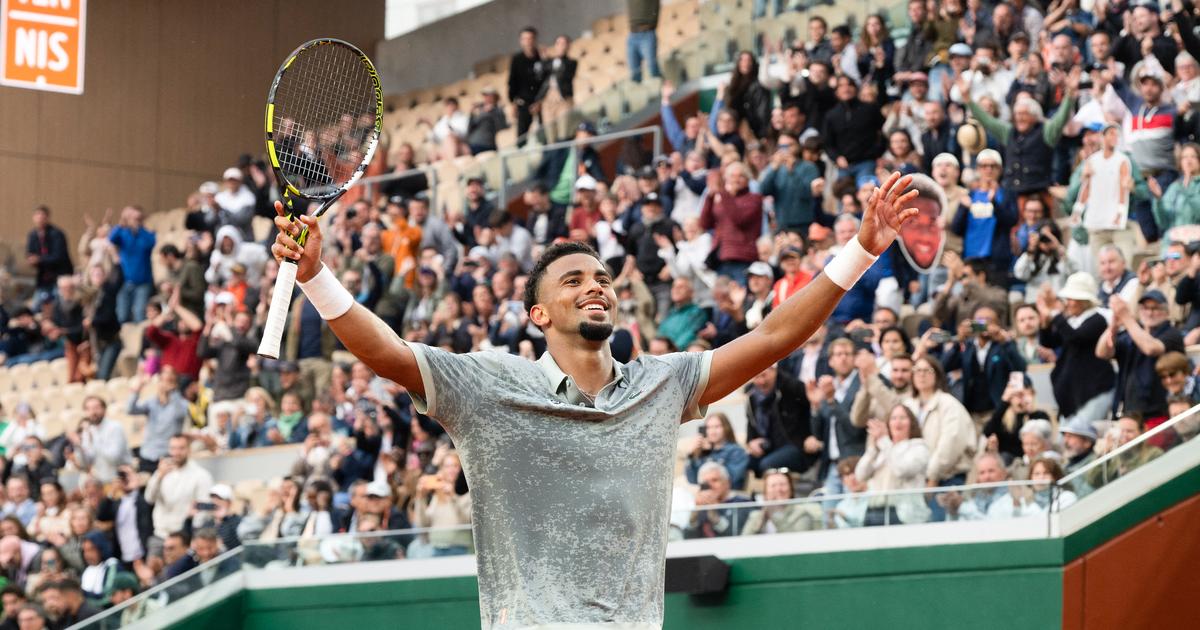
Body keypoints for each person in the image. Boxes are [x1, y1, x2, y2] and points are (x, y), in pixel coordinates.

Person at [268, 166, 921, 628]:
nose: (595, 286)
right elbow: (386, 354)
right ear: (537, 314)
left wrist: (862, 249)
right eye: (573, 279)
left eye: (602, 277)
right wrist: (316, 277)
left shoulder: (663, 384)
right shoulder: (489, 386)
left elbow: (776, 334)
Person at [1097, 291, 1185, 419]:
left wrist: (1127, 317)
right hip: (1129, 411)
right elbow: (1102, 352)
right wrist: (1114, 325)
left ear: (1166, 312)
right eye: (1145, 308)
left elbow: (1150, 348)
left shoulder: (1172, 334)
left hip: (1159, 412)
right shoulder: (1129, 335)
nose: (1149, 313)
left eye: (1155, 308)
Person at [911, 355, 976, 520]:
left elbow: (950, 443)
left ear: (937, 375)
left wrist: (933, 476)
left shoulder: (949, 404)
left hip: (947, 479)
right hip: (915, 482)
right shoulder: (907, 405)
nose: (922, 375)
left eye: (927, 370)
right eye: (917, 370)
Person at [807, 338, 865, 500]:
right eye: (838, 354)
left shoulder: (863, 384)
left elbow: (856, 428)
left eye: (847, 354)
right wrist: (816, 406)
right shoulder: (828, 387)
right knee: (829, 518)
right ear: (831, 361)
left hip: (856, 462)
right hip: (832, 464)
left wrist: (832, 401)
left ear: (855, 358)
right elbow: (818, 434)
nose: (843, 358)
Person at [855, 404, 932, 525]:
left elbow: (901, 470)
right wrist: (873, 449)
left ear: (911, 423)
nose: (898, 422)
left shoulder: (919, 447)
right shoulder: (881, 448)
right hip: (874, 510)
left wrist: (884, 441)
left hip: (902, 514)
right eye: (894, 418)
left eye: (903, 418)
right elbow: (860, 475)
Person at [145, 435, 213, 544]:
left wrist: (192, 532)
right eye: (173, 448)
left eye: (181, 448)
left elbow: (205, 507)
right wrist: (159, 477)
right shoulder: (161, 472)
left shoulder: (201, 475)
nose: (176, 452)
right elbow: (149, 499)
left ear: (189, 449)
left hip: (185, 537)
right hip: (160, 534)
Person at [411, 452, 472, 556]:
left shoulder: (468, 495)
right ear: (442, 470)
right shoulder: (436, 497)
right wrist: (420, 498)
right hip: (436, 548)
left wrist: (453, 497)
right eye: (447, 466)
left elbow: (467, 521)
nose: (451, 470)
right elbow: (423, 524)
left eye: (455, 466)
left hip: (460, 548)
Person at [107, 206, 157, 323]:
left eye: (137, 218)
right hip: (125, 281)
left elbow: (151, 243)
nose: (134, 221)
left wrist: (139, 229)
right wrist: (122, 222)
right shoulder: (124, 233)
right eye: (132, 218)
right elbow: (111, 238)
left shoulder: (147, 234)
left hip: (143, 283)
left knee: (140, 314)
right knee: (122, 315)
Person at [1086, 415, 1164, 490]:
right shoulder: (1113, 458)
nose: (1124, 435)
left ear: (1141, 432)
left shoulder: (1154, 453)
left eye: (1129, 431)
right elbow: (1093, 481)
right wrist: (1103, 455)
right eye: (1121, 431)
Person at [69, 397, 131, 484]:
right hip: (100, 481)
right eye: (88, 409)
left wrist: (93, 439)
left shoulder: (115, 427)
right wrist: (78, 446)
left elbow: (114, 458)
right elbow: (85, 463)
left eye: (96, 408)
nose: (93, 412)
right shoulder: (88, 431)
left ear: (104, 409)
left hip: (120, 479)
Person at [684, 462, 754, 539]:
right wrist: (695, 513)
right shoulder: (700, 507)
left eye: (714, 480)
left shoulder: (742, 504)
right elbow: (687, 538)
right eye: (705, 483)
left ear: (727, 483)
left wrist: (714, 513)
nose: (710, 485)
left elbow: (735, 536)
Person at [740, 469, 822, 534]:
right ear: (765, 492)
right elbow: (744, 543)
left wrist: (775, 514)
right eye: (773, 486)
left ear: (791, 490)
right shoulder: (755, 516)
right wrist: (761, 520)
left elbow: (798, 543)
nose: (778, 489)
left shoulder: (802, 513)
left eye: (782, 485)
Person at [941, 453, 1017, 521]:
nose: (987, 477)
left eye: (991, 471)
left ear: (1003, 473)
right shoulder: (974, 499)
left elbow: (992, 526)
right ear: (978, 478)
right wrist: (952, 511)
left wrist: (961, 507)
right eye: (982, 473)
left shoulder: (1011, 497)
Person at [685, 413, 750, 490]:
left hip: (729, 495)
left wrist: (711, 456)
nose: (712, 431)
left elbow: (728, 479)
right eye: (708, 427)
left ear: (726, 428)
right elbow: (692, 480)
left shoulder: (737, 452)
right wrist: (691, 455)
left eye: (717, 427)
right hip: (706, 494)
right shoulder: (704, 451)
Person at [25, 206, 73, 305]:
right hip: (43, 278)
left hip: (59, 275)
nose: (39, 219)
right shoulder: (33, 235)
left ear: (47, 218)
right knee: (36, 306)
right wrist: (31, 260)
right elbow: (29, 253)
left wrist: (39, 259)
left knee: (59, 305)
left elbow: (59, 256)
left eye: (42, 216)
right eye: (37, 216)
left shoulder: (57, 234)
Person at [508, 27, 545, 144]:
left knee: (544, 135)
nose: (528, 41)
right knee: (521, 138)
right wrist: (513, 102)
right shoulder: (517, 59)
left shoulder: (542, 57)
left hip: (541, 102)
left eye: (530, 38)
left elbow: (547, 80)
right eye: (525, 39)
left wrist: (540, 101)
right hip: (524, 103)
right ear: (521, 41)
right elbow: (512, 82)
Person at [1060, 416, 1098, 498]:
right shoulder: (1065, 466)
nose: (1065, 441)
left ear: (1087, 442)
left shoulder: (1097, 465)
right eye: (1065, 436)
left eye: (1070, 436)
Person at [626, 0, 661, 83]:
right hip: (632, 34)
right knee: (635, 74)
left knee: (653, 69)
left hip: (646, 33)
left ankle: (664, 92)